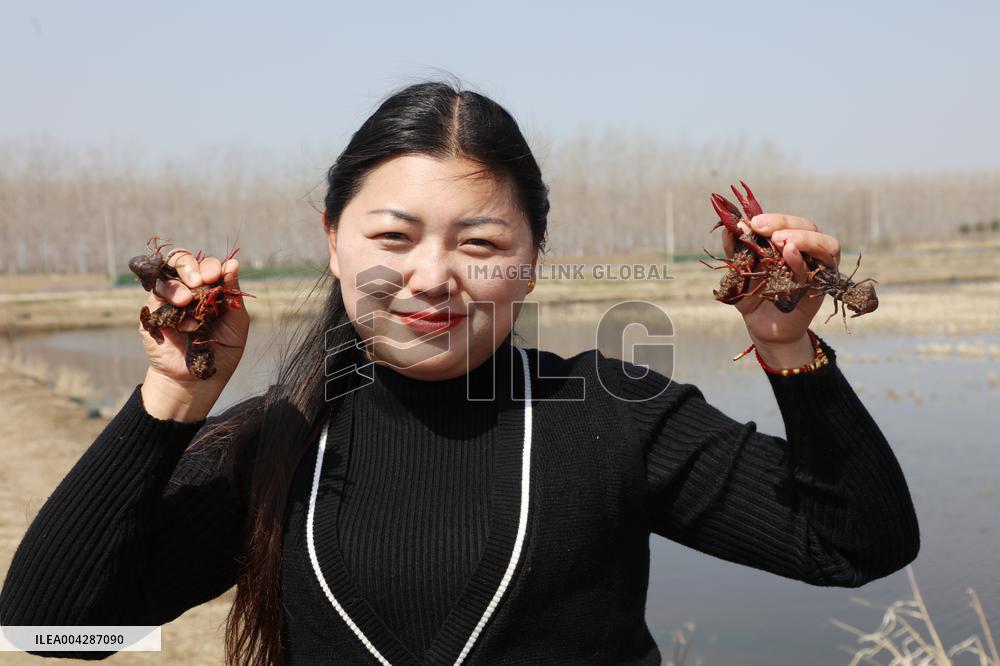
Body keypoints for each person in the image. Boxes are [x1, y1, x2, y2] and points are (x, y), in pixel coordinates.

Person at [0, 81, 920, 665]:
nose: (433, 277)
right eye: (393, 238)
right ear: (332, 240)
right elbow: (49, 629)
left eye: (480, 242)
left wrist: (790, 347)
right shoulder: (271, 447)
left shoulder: (611, 411)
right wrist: (174, 398)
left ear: (531, 257)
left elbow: (855, 546)